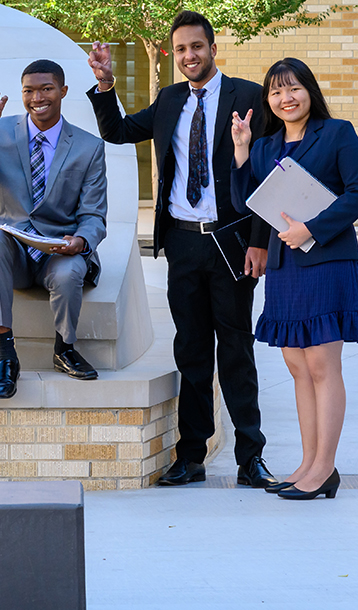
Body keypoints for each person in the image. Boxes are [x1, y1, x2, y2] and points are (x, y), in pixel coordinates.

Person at [86, 10, 278, 488]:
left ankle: (249, 457)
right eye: (181, 50)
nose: (189, 56)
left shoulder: (250, 97)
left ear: (214, 49)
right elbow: (118, 132)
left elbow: (268, 174)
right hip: (183, 244)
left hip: (232, 242)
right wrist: (106, 85)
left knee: (235, 350)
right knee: (191, 350)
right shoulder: (170, 98)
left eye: (197, 47)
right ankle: (190, 456)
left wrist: (260, 241)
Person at [229, 58, 358, 500]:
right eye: (275, 92)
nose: (285, 98)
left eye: (293, 89)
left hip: (327, 260)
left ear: (309, 91)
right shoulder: (265, 146)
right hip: (285, 265)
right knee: (297, 366)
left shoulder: (337, 133)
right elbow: (246, 202)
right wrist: (240, 152)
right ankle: (309, 463)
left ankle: (324, 467)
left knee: (322, 365)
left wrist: (312, 227)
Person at [0, 60, 108, 399]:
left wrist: (81, 240)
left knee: (70, 274)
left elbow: (95, 214)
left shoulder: (88, 147)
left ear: (63, 91)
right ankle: (6, 355)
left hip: (58, 250)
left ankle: (64, 348)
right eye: (29, 91)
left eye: (46, 89)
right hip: (13, 252)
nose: (37, 97)